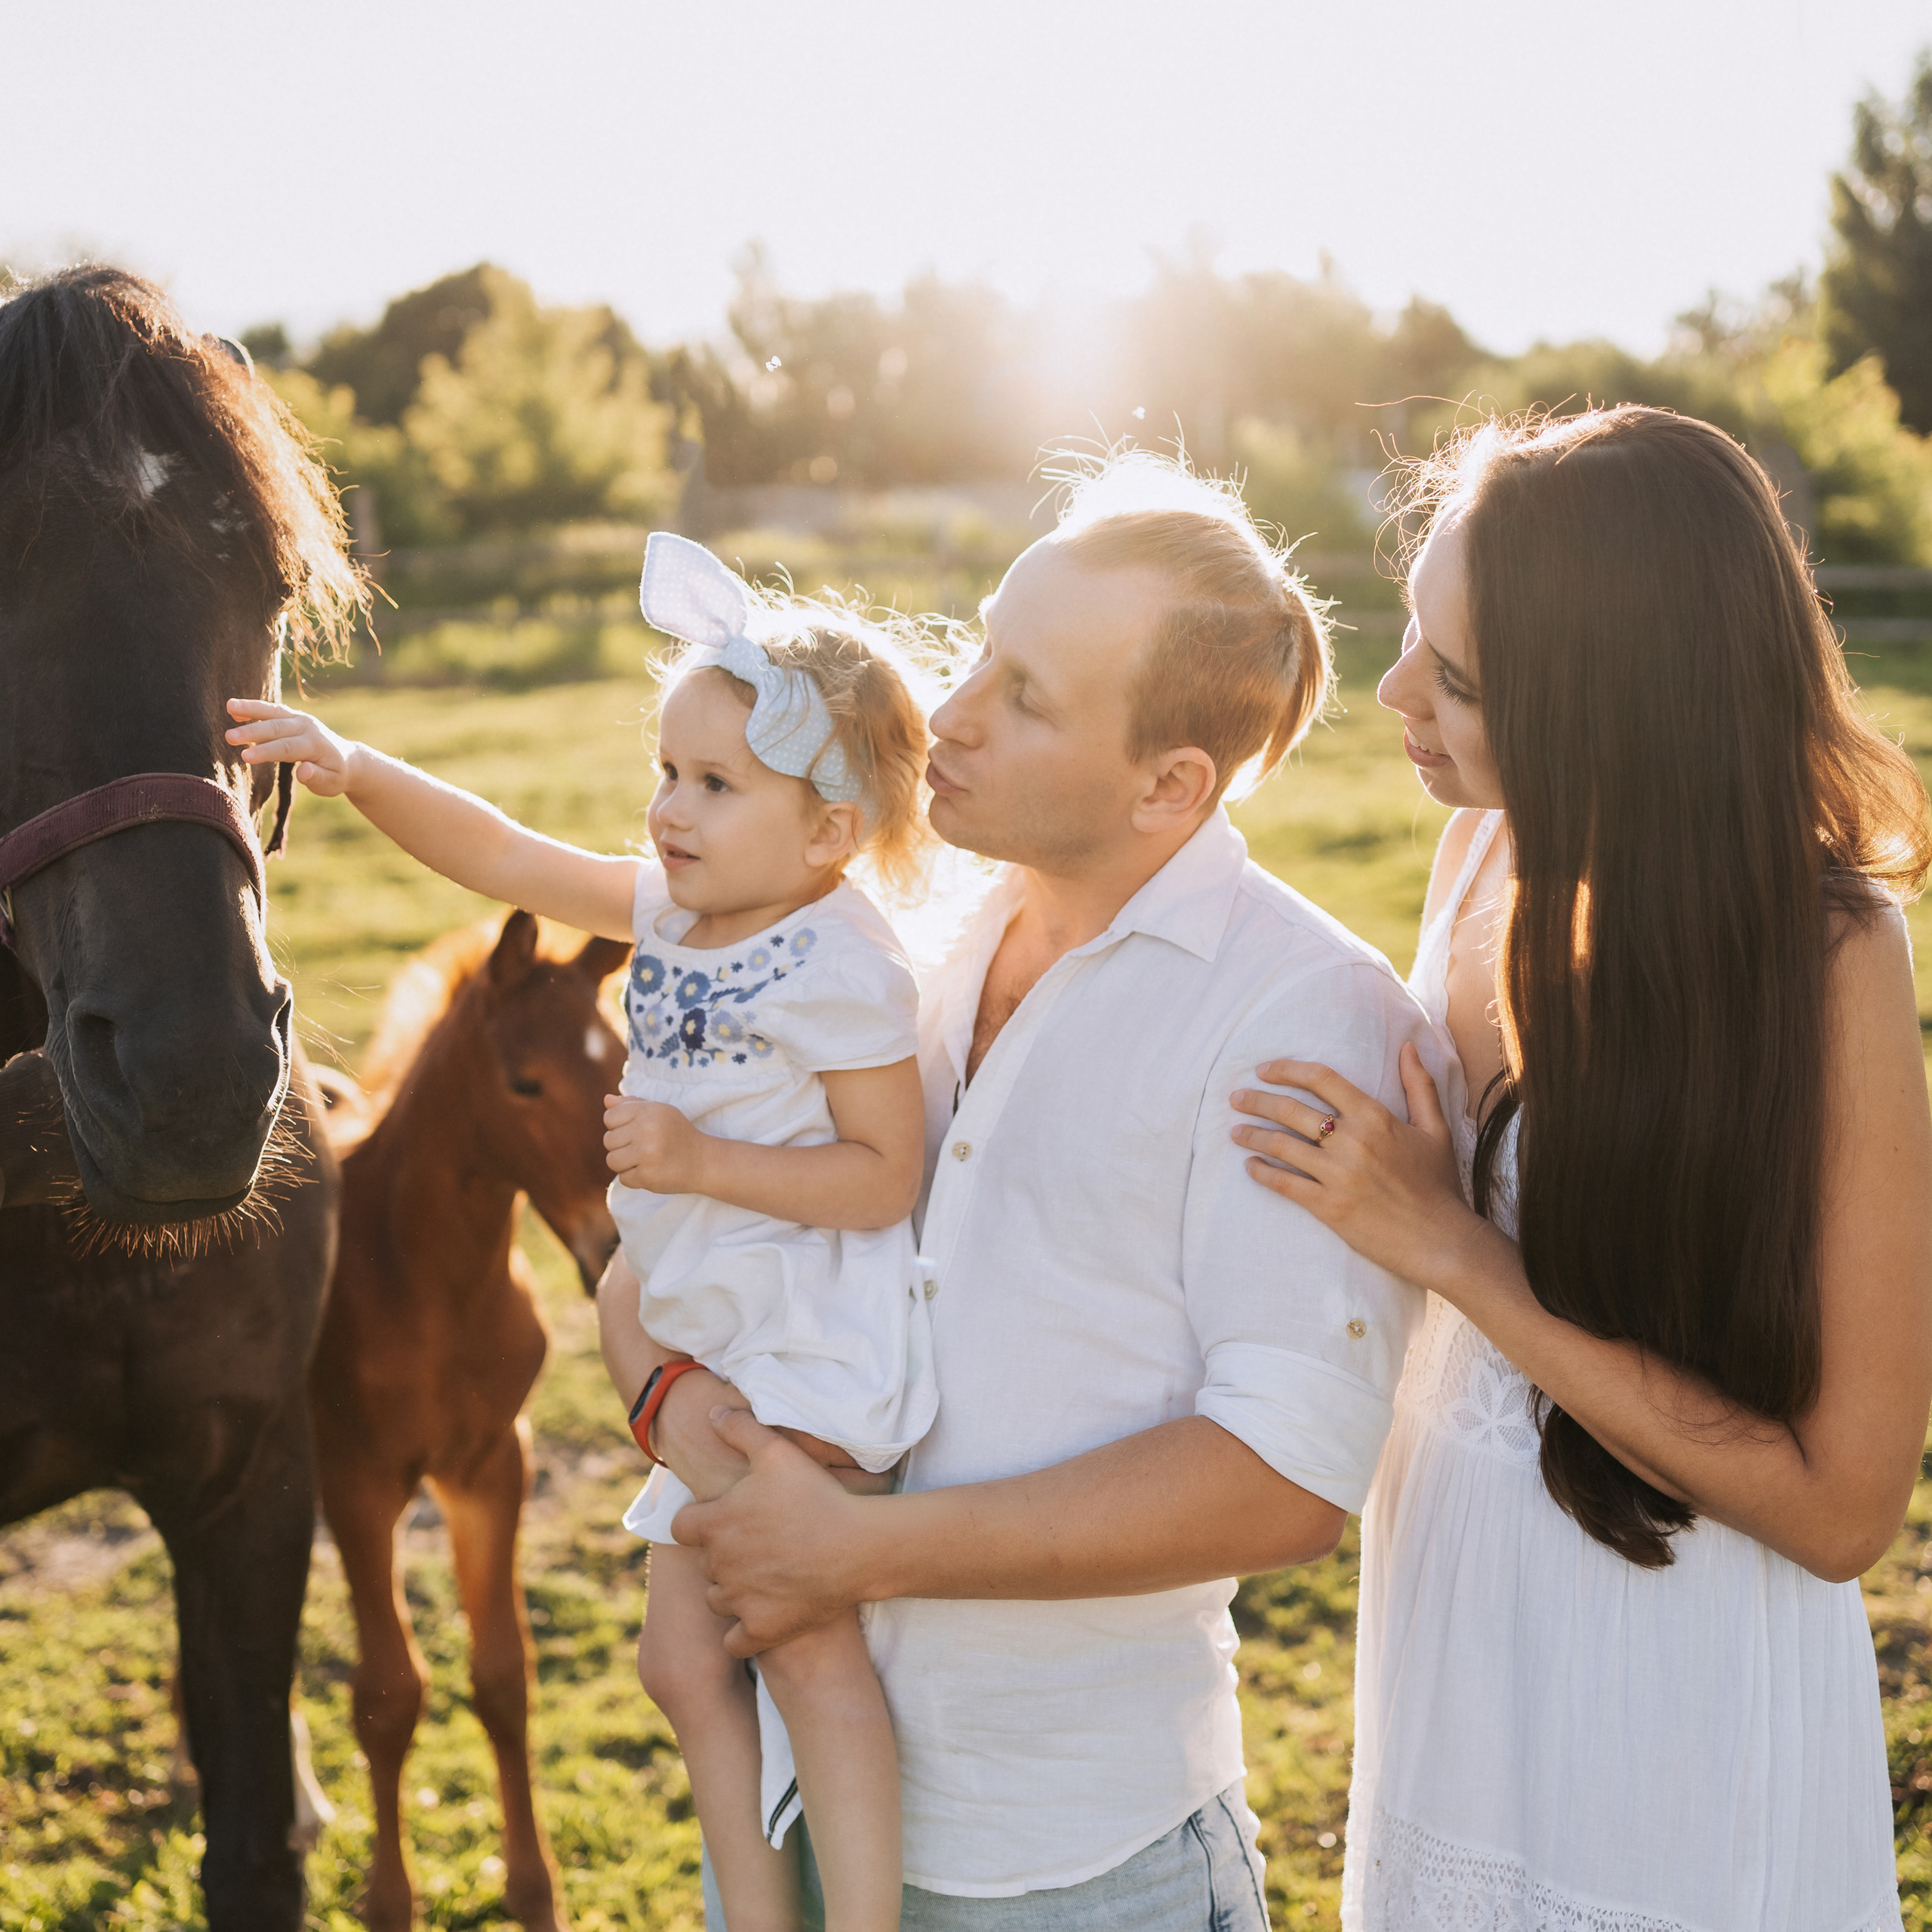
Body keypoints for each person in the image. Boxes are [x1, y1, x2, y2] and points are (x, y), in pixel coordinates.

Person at [644, 454, 1460, 1929]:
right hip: (793, 1800)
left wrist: (856, 1551)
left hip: (1072, 1860)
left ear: (1169, 785)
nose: (946, 716)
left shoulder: (1299, 1018)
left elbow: (1279, 1479)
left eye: (1022, 693)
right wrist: (667, 1393)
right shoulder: (916, 934)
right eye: (978, 652)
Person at [1232, 407, 1932, 1929]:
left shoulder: (1825, 958)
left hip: (1665, 1683)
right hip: (1457, 1617)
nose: (1396, 692)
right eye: (1413, 631)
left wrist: (1454, 1250)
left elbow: (1841, 1507)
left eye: (1461, 678)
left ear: (1612, 704)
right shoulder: (1475, 854)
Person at [226, 530, 946, 1932]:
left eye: (716, 785)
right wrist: (354, 765)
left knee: (803, 1651)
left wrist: (701, 1159)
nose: (670, 809)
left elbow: (882, 1178)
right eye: (667, 772)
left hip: (800, 1344)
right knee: (680, 1666)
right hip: (701, 1328)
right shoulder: (678, 907)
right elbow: (498, 849)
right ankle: (757, 1909)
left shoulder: (846, 965)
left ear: (827, 834)